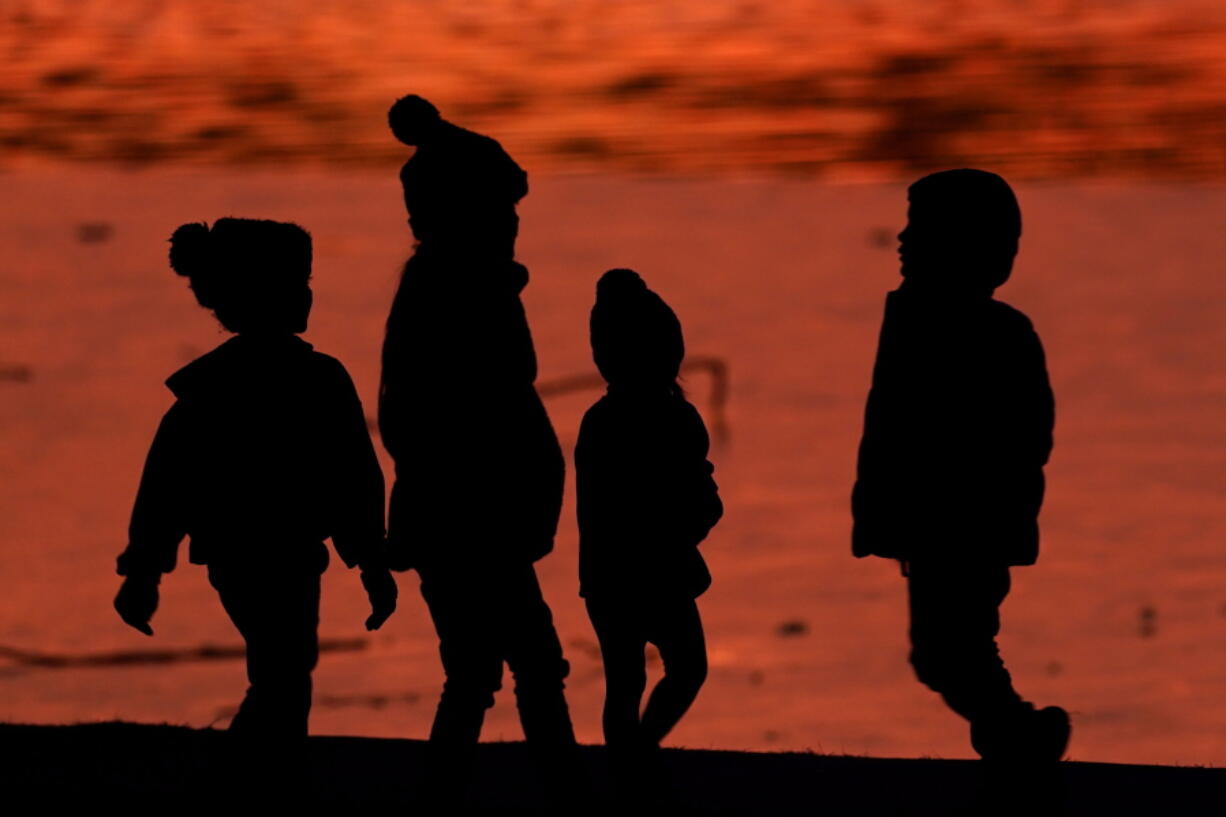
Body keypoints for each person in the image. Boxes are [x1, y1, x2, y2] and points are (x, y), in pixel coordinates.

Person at [113, 218, 397, 743]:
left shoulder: (211, 389)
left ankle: (260, 773)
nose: (309, 295)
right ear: (266, 293)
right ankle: (258, 776)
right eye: (298, 283)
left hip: (245, 557)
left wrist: (145, 571)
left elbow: (165, 489)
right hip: (274, 555)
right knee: (285, 672)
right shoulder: (318, 381)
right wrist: (372, 561)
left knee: (281, 671)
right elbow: (352, 478)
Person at [380, 96, 582, 805]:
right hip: (470, 520)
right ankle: (555, 788)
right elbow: (435, 417)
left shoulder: (468, 287)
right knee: (510, 663)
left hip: (473, 519)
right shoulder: (456, 294)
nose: (514, 224)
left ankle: (513, 785)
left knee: (500, 664)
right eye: (502, 211)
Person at [852, 169, 1070, 768]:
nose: (901, 240)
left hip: (967, 524)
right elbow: (894, 430)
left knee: (949, 650)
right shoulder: (921, 321)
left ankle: (1018, 734)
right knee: (951, 648)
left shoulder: (994, 332)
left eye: (918, 229)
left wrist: (974, 507)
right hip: (938, 524)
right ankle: (1012, 735)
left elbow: (1026, 435)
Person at [576, 269, 723, 794]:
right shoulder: (671, 417)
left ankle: (630, 758)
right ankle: (635, 757)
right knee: (682, 669)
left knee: (629, 680)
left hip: (608, 575)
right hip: (656, 572)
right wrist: (696, 517)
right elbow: (696, 493)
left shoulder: (601, 420)